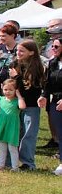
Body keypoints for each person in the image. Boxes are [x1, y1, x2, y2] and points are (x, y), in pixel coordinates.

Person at [8, 40, 44, 171]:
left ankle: (28, 163)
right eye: (17, 50)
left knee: (28, 135)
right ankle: (9, 161)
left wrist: (17, 77)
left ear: (31, 52)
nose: (18, 53)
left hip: (31, 106)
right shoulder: (14, 64)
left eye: (22, 51)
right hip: (15, 105)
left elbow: (32, 90)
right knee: (14, 134)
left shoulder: (37, 68)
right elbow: (11, 85)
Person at [0, 79, 25, 171]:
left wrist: (19, 96)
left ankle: (15, 167)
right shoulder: (1, 99)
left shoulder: (17, 101)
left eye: (11, 90)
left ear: (15, 90)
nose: (7, 92)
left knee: (12, 148)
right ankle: (1, 166)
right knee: (2, 148)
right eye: (5, 89)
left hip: (12, 127)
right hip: (2, 126)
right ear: (2, 88)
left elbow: (22, 107)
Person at [38, 38, 62, 176]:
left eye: (56, 46)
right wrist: (44, 96)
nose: (53, 48)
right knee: (59, 133)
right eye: (52, 46)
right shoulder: (53, 63)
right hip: (55, 103)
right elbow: (47, 83)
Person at [0, 23, 18, 96]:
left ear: (12, 35)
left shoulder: (19, 49)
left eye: (4, 36)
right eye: (0, 36)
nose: (1, 38)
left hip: (13, 85)